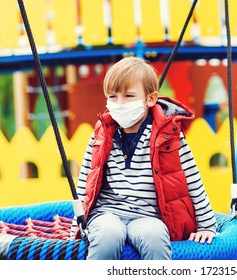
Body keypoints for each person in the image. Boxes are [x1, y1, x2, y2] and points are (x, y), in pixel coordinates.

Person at [71, 56, 217, 260]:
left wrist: (207, 225)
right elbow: (87, 178)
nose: (119, 104)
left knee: (155, 237)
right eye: (113, 97)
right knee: (107, 236)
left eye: (129, 96)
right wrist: (76, 227)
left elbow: (192, 179)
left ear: (150, 99)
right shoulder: (102, 133)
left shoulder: (169, 136)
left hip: (149, 215)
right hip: (107, 213)